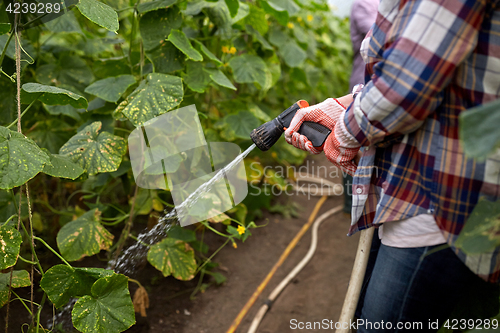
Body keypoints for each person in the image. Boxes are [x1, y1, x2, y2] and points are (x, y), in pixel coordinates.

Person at [284, 0, 500, 330]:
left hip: (439, 195)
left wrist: (343, 135)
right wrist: (342, 105)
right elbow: (414, 64)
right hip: (421, 181)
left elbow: (407, 83)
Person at [344, 0, 379, 212]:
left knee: (370, 144)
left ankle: (366, 202)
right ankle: (351, 205)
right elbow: (379, 36)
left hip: (379, 87)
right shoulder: (363, 4)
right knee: (355, 144)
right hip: (363, 83)